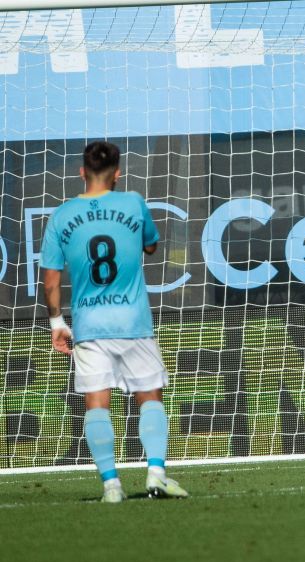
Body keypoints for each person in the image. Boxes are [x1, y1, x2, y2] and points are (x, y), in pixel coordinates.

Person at [41, 141, 188, 501]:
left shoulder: (62, 215)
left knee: (96, 403)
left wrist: (57, 322)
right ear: (118, 173)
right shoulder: (133, 203)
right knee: (150, 396)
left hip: (89, 325)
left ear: (81, 172)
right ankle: (156, 474)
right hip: (133, 321)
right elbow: (151, 245)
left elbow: (51, 282)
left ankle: (111, 485)